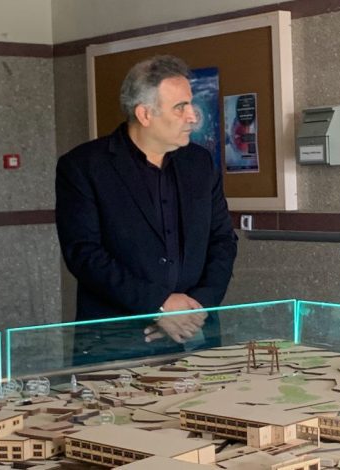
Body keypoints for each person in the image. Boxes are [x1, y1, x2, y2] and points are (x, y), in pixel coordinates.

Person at [56, 55, 237, 355]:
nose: (193, 117)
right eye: (180, 107)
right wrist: (159, 305)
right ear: (144, 114)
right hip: (116, 342)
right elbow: (85, 254)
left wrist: (196, 308)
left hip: (196, 333)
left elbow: (223, 240)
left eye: (191, 104)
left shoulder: (200, 163)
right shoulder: (84, 166)